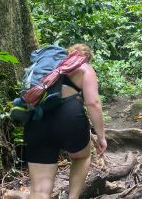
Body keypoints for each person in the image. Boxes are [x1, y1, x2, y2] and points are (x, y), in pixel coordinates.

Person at [24, 43, 107, 199]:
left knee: (40, 189)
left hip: (37, 119)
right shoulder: (84, 68)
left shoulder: (48, 67)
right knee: (82, 156)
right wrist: (101, 136)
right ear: (86, 57)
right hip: (68, 116)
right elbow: (93, 103)